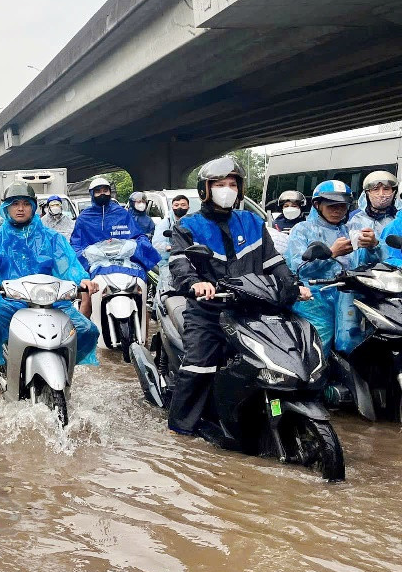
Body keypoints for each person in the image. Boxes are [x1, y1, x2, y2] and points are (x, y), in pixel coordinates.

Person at [168, 157, 311, 435]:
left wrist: (294, 286)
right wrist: (196, 284)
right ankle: (181, 430)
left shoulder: (252, 222)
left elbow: (274, 262)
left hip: (252, 309)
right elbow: (179, 263)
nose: (227, 190)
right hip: (210, 310)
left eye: (232, 184)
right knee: (199, 365)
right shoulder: (188, 226)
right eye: (220, 184)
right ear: (205, 189)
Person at [0, 182, 100, 394]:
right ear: (6, 208)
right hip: (10, 301)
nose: (20, 208)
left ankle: (64, 366)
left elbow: (69, 264)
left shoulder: (52, 238)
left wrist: (83, 280)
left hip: (51, 301)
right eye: (15, 204)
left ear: (33, 207)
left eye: (25, 204)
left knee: (87, 330)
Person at [285, 180, 381, 357]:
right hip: (315, 302)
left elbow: (368, 265)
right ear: (317, 205)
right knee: (317, 349)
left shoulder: (351, 230)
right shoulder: (302, 230)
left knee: (352, 347)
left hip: (349, 300)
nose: (338, 210)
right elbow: (297, 268)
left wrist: (373, 246)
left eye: (342, 206)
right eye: (332, 206)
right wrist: (331, 254)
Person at [70, 177, 161, 318]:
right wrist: (85, 255)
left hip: (125, 264)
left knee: (141, 301)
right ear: (92, 194)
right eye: (98, 191)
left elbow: (137, 235)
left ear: (110, 192)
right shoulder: (84, 218)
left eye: (105, 190)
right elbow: (76, 244)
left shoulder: (122, 213)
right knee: (87, 301)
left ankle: (142, 331)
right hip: (94, 266)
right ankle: (82, 331)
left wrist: (140, 246)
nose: (102, 194)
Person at [151, 194, 191, 298]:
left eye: (183, 205)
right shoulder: (165, 223)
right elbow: (157, 244)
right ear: (172, 207)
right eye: (176, 205)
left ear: (188, 207)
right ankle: (159, 305)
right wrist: (172, 248)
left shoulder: (193, 222)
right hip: (168, 261)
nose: (179, 207)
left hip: (190, 261)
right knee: (166, 289)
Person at [349, 171, 399, 246]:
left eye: (386, 189)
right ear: (367, 193)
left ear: (394, 192)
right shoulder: (354, 217)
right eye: (375, 189)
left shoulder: (398, 218)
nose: (381, 194)